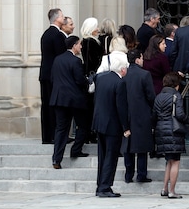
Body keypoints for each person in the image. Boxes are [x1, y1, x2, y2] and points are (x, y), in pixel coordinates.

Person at [92, 50, 130, 198]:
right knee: (111, 156)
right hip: (112, 125)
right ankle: (105, 187)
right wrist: (125, 127)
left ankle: (100, 185)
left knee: (102, 156)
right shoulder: (119, 83)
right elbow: (121, 107)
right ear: (122, 69)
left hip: (99, 122)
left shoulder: (100, 78)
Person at [50, 35, 90, 168]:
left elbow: (52, 78)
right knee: (83, 125)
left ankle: (56, 159)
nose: (81, 47)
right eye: (79, 44)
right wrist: (88, 81)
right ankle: (76, 149)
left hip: (59, 98)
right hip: (74, 100)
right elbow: (79, 80)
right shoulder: (75, 61)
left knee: (61, 129)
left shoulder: (57, 59)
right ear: (74, 45)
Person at [152, 72, 189, 199]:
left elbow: (154, 115)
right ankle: (172, 191)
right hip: (173, 130)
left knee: (169, 161)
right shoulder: (176, 96)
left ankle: (164, 188)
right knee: (175, 161)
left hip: (161, 129)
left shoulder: (159, 96)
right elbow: (180, 114)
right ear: (176, 84)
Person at [123, 49, 156, 184]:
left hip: (127, 113)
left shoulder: (124, 75)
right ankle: (141, 174)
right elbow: (151, 96)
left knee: (128, 145)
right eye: (141, 58)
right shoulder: (145, 75)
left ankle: (128, 174)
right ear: (137, 59)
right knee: (142, 147)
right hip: (142, 114)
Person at [40, 8, 66, 144]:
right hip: (53, 76)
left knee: (46, 105)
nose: (64, 17)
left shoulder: (46, 34)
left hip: (45, 74)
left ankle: (47, 136)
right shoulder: (56, 35)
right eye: (62, 16)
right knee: (54, 106)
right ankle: (55, 135)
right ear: (57, 18)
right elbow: (60, 56)